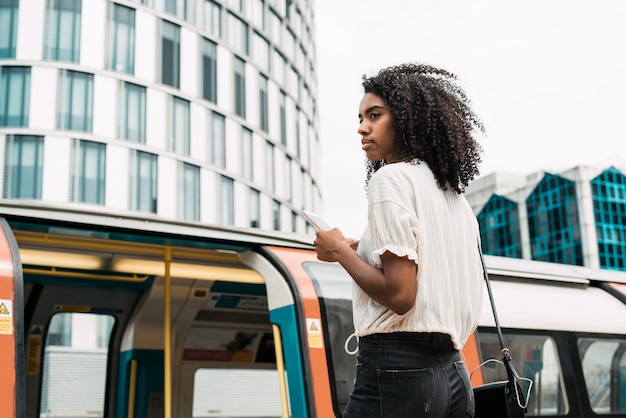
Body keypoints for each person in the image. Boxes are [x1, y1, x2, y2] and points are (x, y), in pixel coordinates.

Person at [313, 63, 485, 418]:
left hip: (397, 372)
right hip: (455, 376)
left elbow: (401, 295)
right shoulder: (457, 199)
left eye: (374, 115)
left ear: (408, 119)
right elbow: (430, 272)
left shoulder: (389, 180)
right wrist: (360, 248)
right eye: (360, 117)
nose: (362, 127)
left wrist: (340, 251)